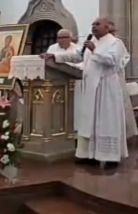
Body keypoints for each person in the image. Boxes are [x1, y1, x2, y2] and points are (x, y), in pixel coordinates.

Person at [42, 17, 127, 168]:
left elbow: (113, 61)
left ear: (107, 28)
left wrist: (95, 49)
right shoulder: (91, 41)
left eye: (97, 24)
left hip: (106, 87)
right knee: (89, 121)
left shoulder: (115, 42)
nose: (94, 27)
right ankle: (88, 154)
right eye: (92, 24)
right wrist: (55, 56)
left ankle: (110, 157)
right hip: (90, 86)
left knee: (105, 121)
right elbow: (77, 56)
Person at [108, 21, 138, 139]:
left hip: (118, 77)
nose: (111, 34)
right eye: (109, 32)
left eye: (112, 32)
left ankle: (123, 132)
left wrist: (119, 64)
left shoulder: (118, 43)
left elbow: (126, 56)